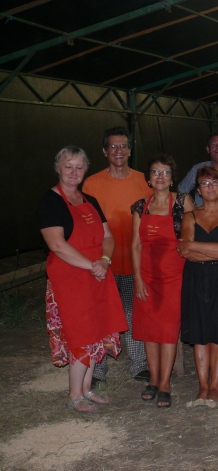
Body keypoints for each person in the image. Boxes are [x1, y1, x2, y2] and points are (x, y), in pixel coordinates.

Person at [39, 146, 127, 412]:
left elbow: (108, 237)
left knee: (98, 330)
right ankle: (74, 395)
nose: (74, 172)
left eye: (79, 167)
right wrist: (92, 264)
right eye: (68, 166)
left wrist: (105, 260)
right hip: (70, 276)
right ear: (58, 168)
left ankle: (87, 389)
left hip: (96, 273)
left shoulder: (90, 200)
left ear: (86, 169)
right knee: (81, 331)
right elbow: (57, 245)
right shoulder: (51, 201)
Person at [82, 126, 151, 384]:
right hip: (104, 263)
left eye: (123, 146)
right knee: (103, 314)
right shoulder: (92, 183)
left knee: (134, 314)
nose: (118, 151)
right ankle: (97, 369)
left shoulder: (145, 181)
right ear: (104, 151)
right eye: (113, 146)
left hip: (136, 262)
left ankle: (139, 365)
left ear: (130, 150)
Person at [131, 155, 194, 409]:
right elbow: (135, 245)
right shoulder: (139, 206)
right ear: (148, 178)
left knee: (168, 331)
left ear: (171, 178)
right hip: (145, 276)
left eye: (165, 172)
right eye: (155, 172)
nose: (160, 176)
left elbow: (191, 238)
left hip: (173, 276)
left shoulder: (182, 202)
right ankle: (154, 379)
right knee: (149, 330)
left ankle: (165, 383)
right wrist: (137, 277)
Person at [178, 166, 218, 408]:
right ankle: (202, 385)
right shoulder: (190, 216)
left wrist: (206, 250)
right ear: (198, 190)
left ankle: (215, 385)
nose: (211, 187)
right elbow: (184, 250)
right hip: (196, 278)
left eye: (215, 182)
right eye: (205, 184)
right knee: (200, 336)